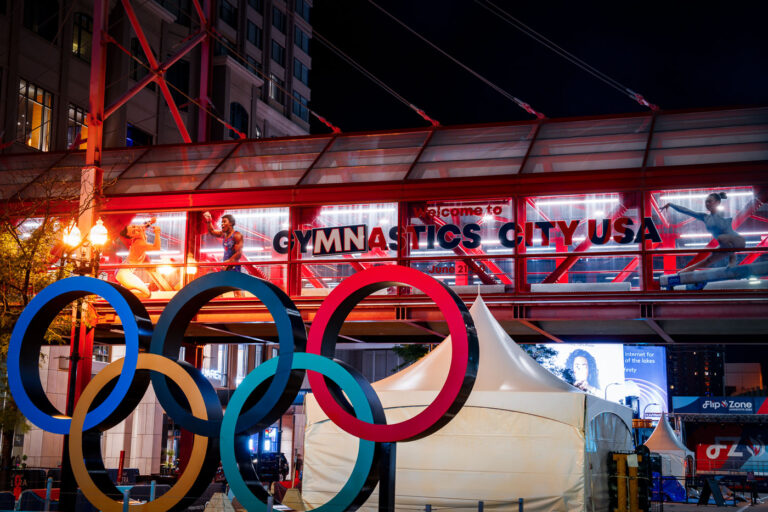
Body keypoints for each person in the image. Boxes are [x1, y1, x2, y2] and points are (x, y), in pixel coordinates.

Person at [661, 192, 746, 273]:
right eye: (706, 202)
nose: (707, 204)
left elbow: (738, 213)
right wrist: (671, 204)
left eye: (709, 201)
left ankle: (733, 258)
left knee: (721, 238)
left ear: (717, 202)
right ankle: (688, 270)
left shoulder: (724, 213)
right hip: (726, 246)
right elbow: (687, 211)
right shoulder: (705, 217)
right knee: (708, 260)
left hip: (738, 241)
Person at [116, 218, 161, 298]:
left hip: (125, 272)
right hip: (125, 273)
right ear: (132, 237)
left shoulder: (139, 231)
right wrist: (157, 232)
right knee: (146, 294)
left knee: (144, 294)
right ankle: (123, 297)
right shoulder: (139, 244)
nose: (137, 228)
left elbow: (143, 226)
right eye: (134, 231)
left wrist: (151, 221)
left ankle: (124, 294)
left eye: (134, 226)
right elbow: (156, 247)